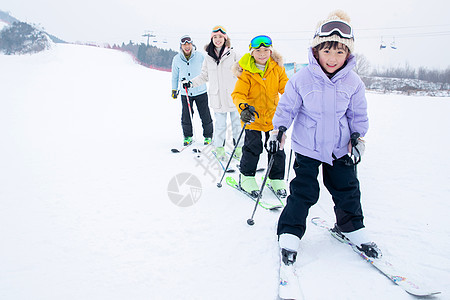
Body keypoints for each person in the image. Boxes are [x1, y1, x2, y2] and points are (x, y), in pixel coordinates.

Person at [271, 10, 381, 267]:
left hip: (340, 148)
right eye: (327, 51)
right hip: (308, 147)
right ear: (316, 50)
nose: (333, 58)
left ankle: (351, 227)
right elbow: (287, 108)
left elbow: (357, 114)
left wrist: (357, 137)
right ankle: (289, 231)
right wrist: (279, 131)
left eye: (340, 52)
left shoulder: (353, 82)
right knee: (304, 191)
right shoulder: (301, 78)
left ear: (348, 54)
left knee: (347, 190)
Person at [231, 35, 289, 197]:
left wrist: (297, 100)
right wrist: (243, 109)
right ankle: (247, 177)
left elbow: (286, 88)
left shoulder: (277, 68)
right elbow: (238, 94)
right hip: (253, 117)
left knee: (277, 147)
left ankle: (276, 178)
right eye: (258, 51)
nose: (262, 54)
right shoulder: (246, 72)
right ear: (252, 52)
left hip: (273, 118)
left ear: (271, 51)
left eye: (266, 50)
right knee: (252, 148)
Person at [183, 26, 242, 160]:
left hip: (233, 96)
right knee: (220, 125)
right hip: (217, 98)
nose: (218, 39)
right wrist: (191, 83)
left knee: (237, 125)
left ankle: (239, 149)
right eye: (215, 37)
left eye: (220, 37)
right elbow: (204, 76)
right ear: (211, 39)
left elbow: (244, 72)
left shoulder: (234, 55)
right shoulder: (208, 57)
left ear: (225, 38)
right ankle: (219, 149)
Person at [171, 35, 213, 146]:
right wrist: (174, 89)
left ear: (192, 44)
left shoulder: (200, 56)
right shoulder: (177, 59)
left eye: (188, 44)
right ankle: (188, 136)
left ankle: (208, 136)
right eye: (184, 44)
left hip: (200, 91)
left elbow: (207, 72)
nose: (187, 46)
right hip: (185, 93)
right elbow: (175, 76)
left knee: (205, 115)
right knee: (186, 115)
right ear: (181, 46)